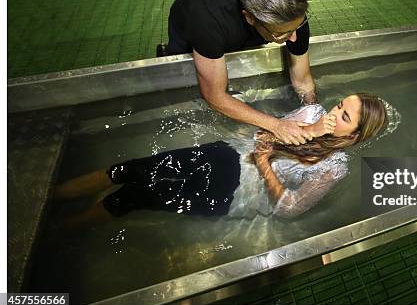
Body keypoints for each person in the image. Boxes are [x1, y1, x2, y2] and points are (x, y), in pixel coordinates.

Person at [55, 93, 388, 227]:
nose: (334, 113)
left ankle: (62, 227)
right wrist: (310, 129)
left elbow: (289, 210)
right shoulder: (313, 113)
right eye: (340, 105)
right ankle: (52, 198)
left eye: (344, 117)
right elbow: (263, 136)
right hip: (227, 154)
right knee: (129, 169)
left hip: (235, 195)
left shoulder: (334, 168)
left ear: (355, 136)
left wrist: (263, 165)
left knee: (136, 196)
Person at [158, 0, 316, 146]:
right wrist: (277, 125)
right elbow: (214, 96)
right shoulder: (206, 18)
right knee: (184, 76)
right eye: (281, 34)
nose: (293, 37)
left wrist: (313, 112)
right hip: (191, 27)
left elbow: (302, 79)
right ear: (249, 17)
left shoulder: (291, 14)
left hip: (251, 26)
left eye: (296, 27)